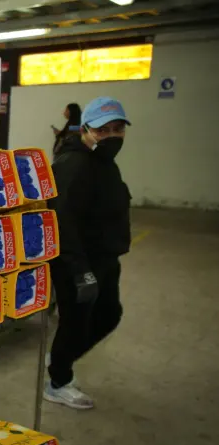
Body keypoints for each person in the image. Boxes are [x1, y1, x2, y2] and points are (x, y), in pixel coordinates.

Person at [44, 97, 132, 410]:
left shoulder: (104, 163)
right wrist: (80, 270)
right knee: (75, 322)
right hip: (77, 261)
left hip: (105, 256)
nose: (111, 135)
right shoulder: (73, 165)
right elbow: (62, 221)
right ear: (86, 130)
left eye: (117, 129)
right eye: (103, 129)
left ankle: (58, 357)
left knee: (109, 315)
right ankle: (57, 381)